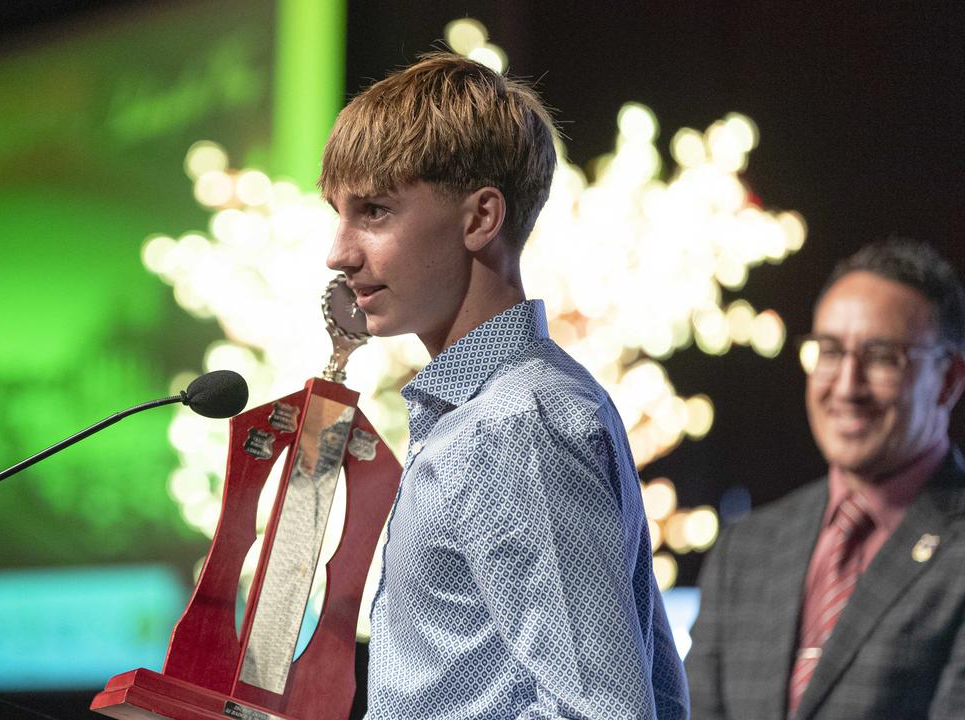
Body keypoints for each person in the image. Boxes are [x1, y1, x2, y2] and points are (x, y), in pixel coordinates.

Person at [319, 52, 688, 720]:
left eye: (374, 211)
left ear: (481, 217)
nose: (339, 251)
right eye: (338, 213)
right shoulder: (494, 412)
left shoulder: (515, 421)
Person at [685, 238, 965, 720]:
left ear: (948, 380)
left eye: (881, 357)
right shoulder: (745, 551)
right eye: (829, 352)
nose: (847, 385)